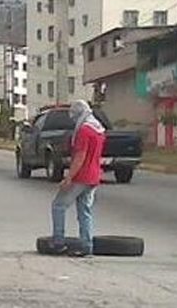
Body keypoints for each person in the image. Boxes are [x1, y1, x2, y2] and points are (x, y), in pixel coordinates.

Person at [49, 100, 106, 257]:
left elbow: (80, 156)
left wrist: (69, 178)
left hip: (81, 176)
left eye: (74, 114)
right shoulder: (98, 130)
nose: (72, 118)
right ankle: (86, 245)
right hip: (94, 176)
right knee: (84, 211)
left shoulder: (83, 131)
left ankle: (58, 242)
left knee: (58, 206)